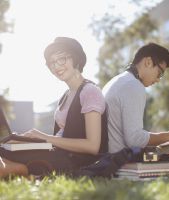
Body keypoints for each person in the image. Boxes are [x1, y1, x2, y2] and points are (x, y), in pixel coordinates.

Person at [0, 37, 108, 177]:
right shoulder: (65, 96)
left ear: (76, 58)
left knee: (6, 154)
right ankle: (17, 169)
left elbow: (93, 146)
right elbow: (62, 137)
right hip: (58, 153)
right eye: (51, 63)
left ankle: (20, 170)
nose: (56, 66)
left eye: (61, 59)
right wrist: (30, 140)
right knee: (5, 148)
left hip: (75, 161)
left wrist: (44, 137)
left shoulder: (90, 91)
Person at [102, 43, 169, 153]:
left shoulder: (117, 81)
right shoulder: (134, 86)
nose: (158, 80)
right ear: (148, 62)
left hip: (106, 159)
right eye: (160, 73)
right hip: (120, 164)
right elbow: (134, 139)